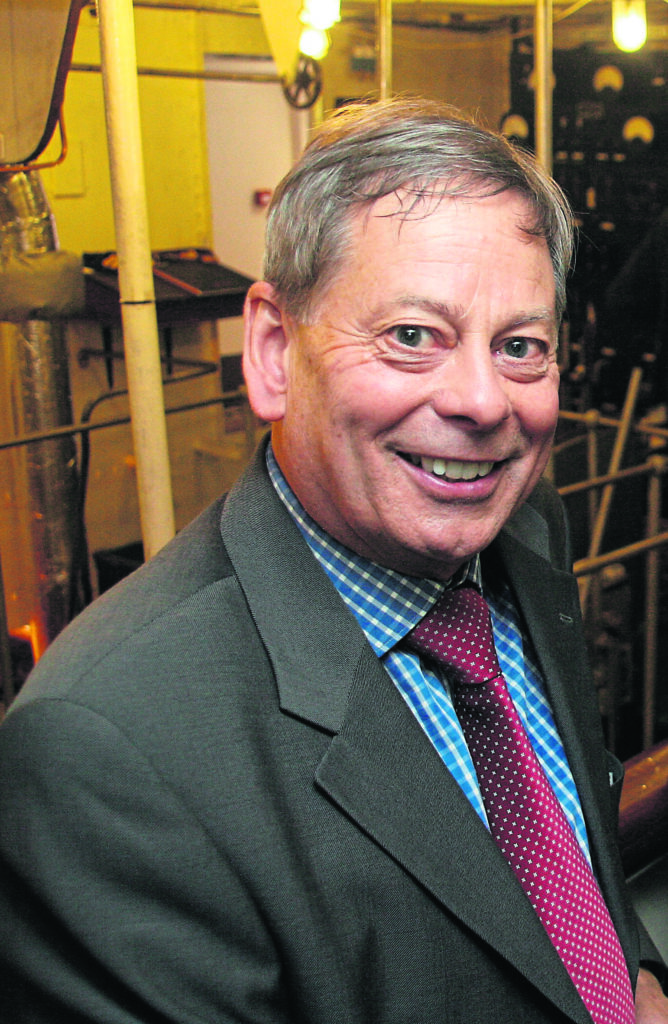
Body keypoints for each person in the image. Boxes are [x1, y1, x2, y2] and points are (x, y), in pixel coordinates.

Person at [0, 97, 666, 1024]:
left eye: (521, 347)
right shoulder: (104, 756)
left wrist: (635, 977)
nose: (481, 400)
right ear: (273, 351)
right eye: (411, 336)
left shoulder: (524, 525)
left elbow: (561, 832)